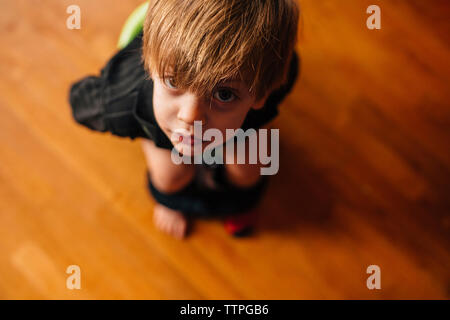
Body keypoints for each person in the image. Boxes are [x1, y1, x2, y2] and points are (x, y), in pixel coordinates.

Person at [69, 0, 300, 239]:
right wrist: (139, 128)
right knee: (170, 175)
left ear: (261, 94)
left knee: (248, 168)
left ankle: (239, 203)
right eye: (173, 82)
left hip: (242, 122)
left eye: (223, 94)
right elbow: (82, 101)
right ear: (149, 64)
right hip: (159, 123)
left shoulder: (269, 71)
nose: (190, 116)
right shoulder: (121, 97)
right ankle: (171, 200)